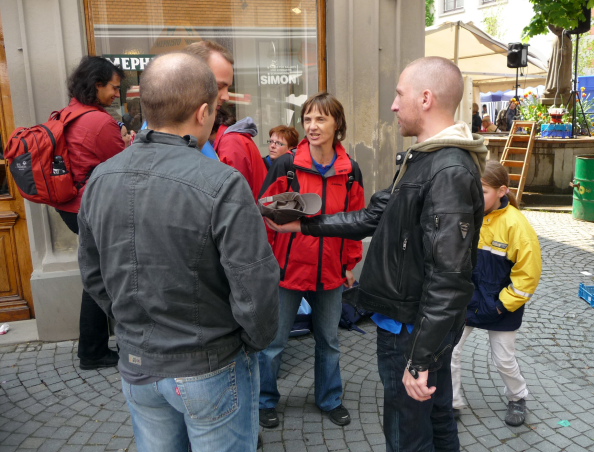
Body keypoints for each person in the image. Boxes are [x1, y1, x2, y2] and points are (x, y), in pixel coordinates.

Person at [265, 57, 488, 451]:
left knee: (409, 437)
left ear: (425, 98)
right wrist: (302, 226)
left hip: (411, 332)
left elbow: (450, 275)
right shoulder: (425, 158)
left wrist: (420, 359)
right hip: (411, 326)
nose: (394, 105)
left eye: (400, 95)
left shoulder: (447, 169)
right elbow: (370, 216)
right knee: (434, 425)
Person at [77, 52, 280, 452]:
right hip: (209, 364)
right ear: (203, 112)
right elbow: (255, 283)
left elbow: (92, 273)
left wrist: (130, 326)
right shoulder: (222, 182)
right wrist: (249, 342)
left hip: (140, 365)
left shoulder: (101, 178)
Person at [258, 92, 365, 429]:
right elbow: (263, 212)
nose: (313, 126)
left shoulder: (350, 171)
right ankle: (264, 401)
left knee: (329, 342)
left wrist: (350, 264)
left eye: (321, 118)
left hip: (330, 271)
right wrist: (268, 261)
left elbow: (356, 221)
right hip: (288, 270)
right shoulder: (287, 165)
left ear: (337, 124)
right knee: (274, 343)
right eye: (308, 119)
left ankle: (329, 398)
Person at [451, 160, 542, 427]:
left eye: (482, 191)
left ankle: (517, 396)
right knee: (449, 351)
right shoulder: (466, 216)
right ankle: (452, 402)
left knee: (503, 359)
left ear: (502, 191)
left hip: (501, 306)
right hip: (467, 300)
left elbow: (528, 276)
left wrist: (501, 306)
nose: (474, 197)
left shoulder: (517, 226)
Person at [54, 56, 126, 371]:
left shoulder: (67, 113)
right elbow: (123, 167)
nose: (117, 94)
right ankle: (96, 350)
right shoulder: (99, 122)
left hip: (70, 206)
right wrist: (128, 143)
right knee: (107, 276)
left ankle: (92, 349)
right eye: (114, 87)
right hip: (91, 208)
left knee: (97, 273)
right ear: (97, 85)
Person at [186, 40, 268, 200]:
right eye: (218, 87)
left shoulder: (230, 143)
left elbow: (233, 202)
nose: (226, 96)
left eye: (228, 87)